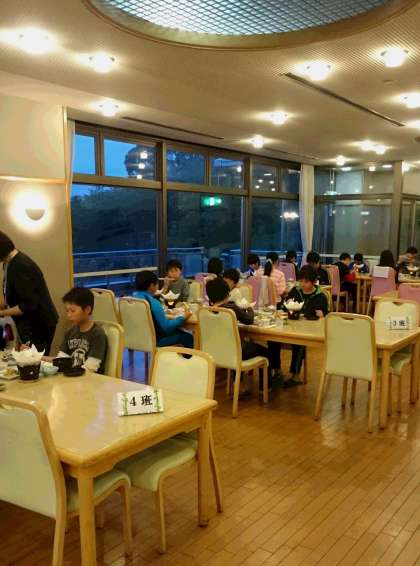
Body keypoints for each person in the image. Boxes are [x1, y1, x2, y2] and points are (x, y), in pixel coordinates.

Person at [206, 277, 281, 384]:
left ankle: (237, 382)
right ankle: (265, 386)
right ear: (227, 293)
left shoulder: (206, 311)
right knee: (267, 353)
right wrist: (249, 308)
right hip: (236, 352)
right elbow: (249, 319)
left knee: (240, 344)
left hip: (216, 351)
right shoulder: (231, 308)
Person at [0, 231, 58, 354]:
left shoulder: (21, 266)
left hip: (38, 324)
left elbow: (28, 305)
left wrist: (2, 313)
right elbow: (12, 294)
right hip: (27, 323)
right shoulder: (8, 262)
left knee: (33, 360)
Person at [283, 265, 329, 387]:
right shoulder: (296, 291)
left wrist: (323, 313)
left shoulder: (320, 296)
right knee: (273, 341)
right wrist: (287, 305)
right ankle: (276, 370)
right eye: (301, 281)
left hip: (310, 330)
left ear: (313, 282)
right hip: (291, 326)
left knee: (299, 342)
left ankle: (295, 375)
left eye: (306, 282)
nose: (303, 284)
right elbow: (285, 305)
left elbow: (327, 314)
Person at [48, 287, 108, 373]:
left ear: (87, 309)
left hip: (90, 379)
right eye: (67, 311)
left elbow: (91, 367)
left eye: (73, 311)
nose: (69, 315)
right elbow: (61, 360)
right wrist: (38, 357)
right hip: (73, 376)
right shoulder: (69, 332)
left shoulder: (97, 334)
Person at [134, 270, 193, 348]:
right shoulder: (152, 302)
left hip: (138, 338)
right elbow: (166, 328)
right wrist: (183, 317)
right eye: (157, 283)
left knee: (179, 331)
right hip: (156, 340)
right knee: (188, 337)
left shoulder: (133, 298)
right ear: (152, 285)